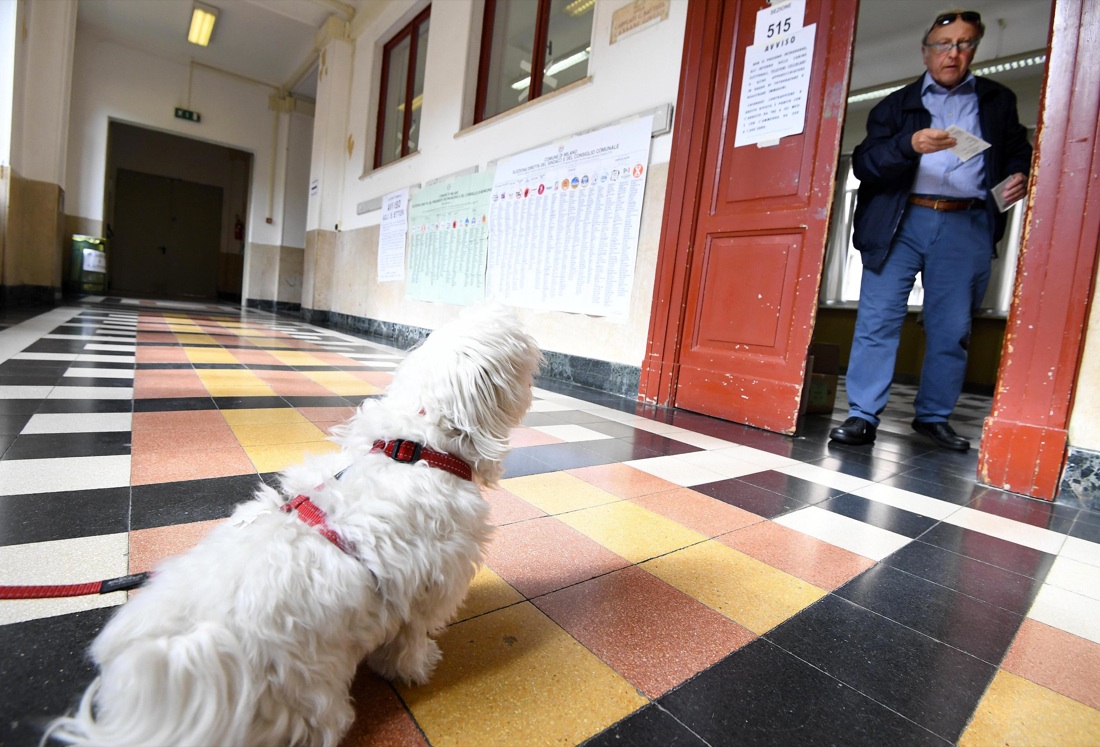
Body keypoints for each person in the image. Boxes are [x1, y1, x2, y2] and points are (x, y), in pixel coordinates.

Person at [829, 9, 1032, 451]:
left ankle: (934, 417)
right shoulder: (895, 105)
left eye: (964, 44)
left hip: (967, 222)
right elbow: (865, 164)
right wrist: (909, 144)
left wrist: (1019, 173)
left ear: (974, 49)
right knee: (878, 320)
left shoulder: (996, 101)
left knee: (952, 327)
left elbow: (1017, 149)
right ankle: (863, 416)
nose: (953, 54)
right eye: (943, 45)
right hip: (901, 222)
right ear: (926, 52)